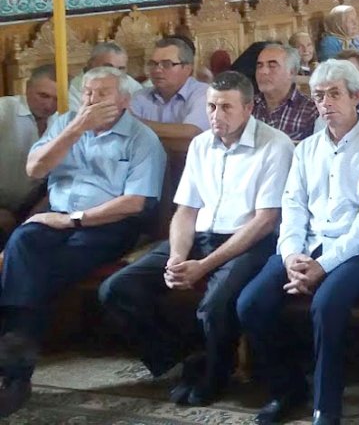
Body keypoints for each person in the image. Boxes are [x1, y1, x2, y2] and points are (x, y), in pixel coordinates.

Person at [99, 72, 292, 406]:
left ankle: (214, 376)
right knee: (117, 288)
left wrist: (202, 266)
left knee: (215, 305)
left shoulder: (274, 145)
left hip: (247, 242)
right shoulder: (201, 144)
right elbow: (186, 210)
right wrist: (177, 255)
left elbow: (265, 220)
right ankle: (182, 357)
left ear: (248, 108)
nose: (216, 116)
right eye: (212, 107)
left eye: (226, 108)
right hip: (199, 237)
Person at [234, 59, 359, 425]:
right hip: (308, 244)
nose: (326, 104)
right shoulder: (306, 148)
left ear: (356, 96)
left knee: (325, 305)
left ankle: (327, 405)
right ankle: (286, 387)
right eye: (319, 96)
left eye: (335, 94)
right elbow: (292, 207)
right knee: (251, 303)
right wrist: (292, 254)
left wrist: (324, 265)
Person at [0, 67, 164, 415]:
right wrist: (76, 129)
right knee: (23, 240)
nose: (91, 101)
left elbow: (135, 202)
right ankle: (16, 367)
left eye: (102, 94)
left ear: (123, 100)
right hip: (54, 219)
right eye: (87, 93)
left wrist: (76, 219)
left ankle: (15, 372)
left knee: (29, 273)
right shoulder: (67, 123)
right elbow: (35, 169)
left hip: (108, 225)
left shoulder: (141, 138)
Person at [0, 68, 57, 236]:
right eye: (43, 96)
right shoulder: (5, 110)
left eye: (57, 99)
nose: (49, 105)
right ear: (27, 88)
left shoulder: (63, 120)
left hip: (34, 206)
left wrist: (37, 212)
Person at [130, 37, 211, 138]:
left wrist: (135, 126)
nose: (157, 70)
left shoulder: (203, 93)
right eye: (153, 64)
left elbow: (191, 134)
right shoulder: (140, 96)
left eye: (166, 64)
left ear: (187, 68)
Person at [252, 43, 318, 142]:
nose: (263, 71)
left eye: (272, 66)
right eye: (260, 66)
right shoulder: (248, 106)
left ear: (291, 72)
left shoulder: (311, 110)